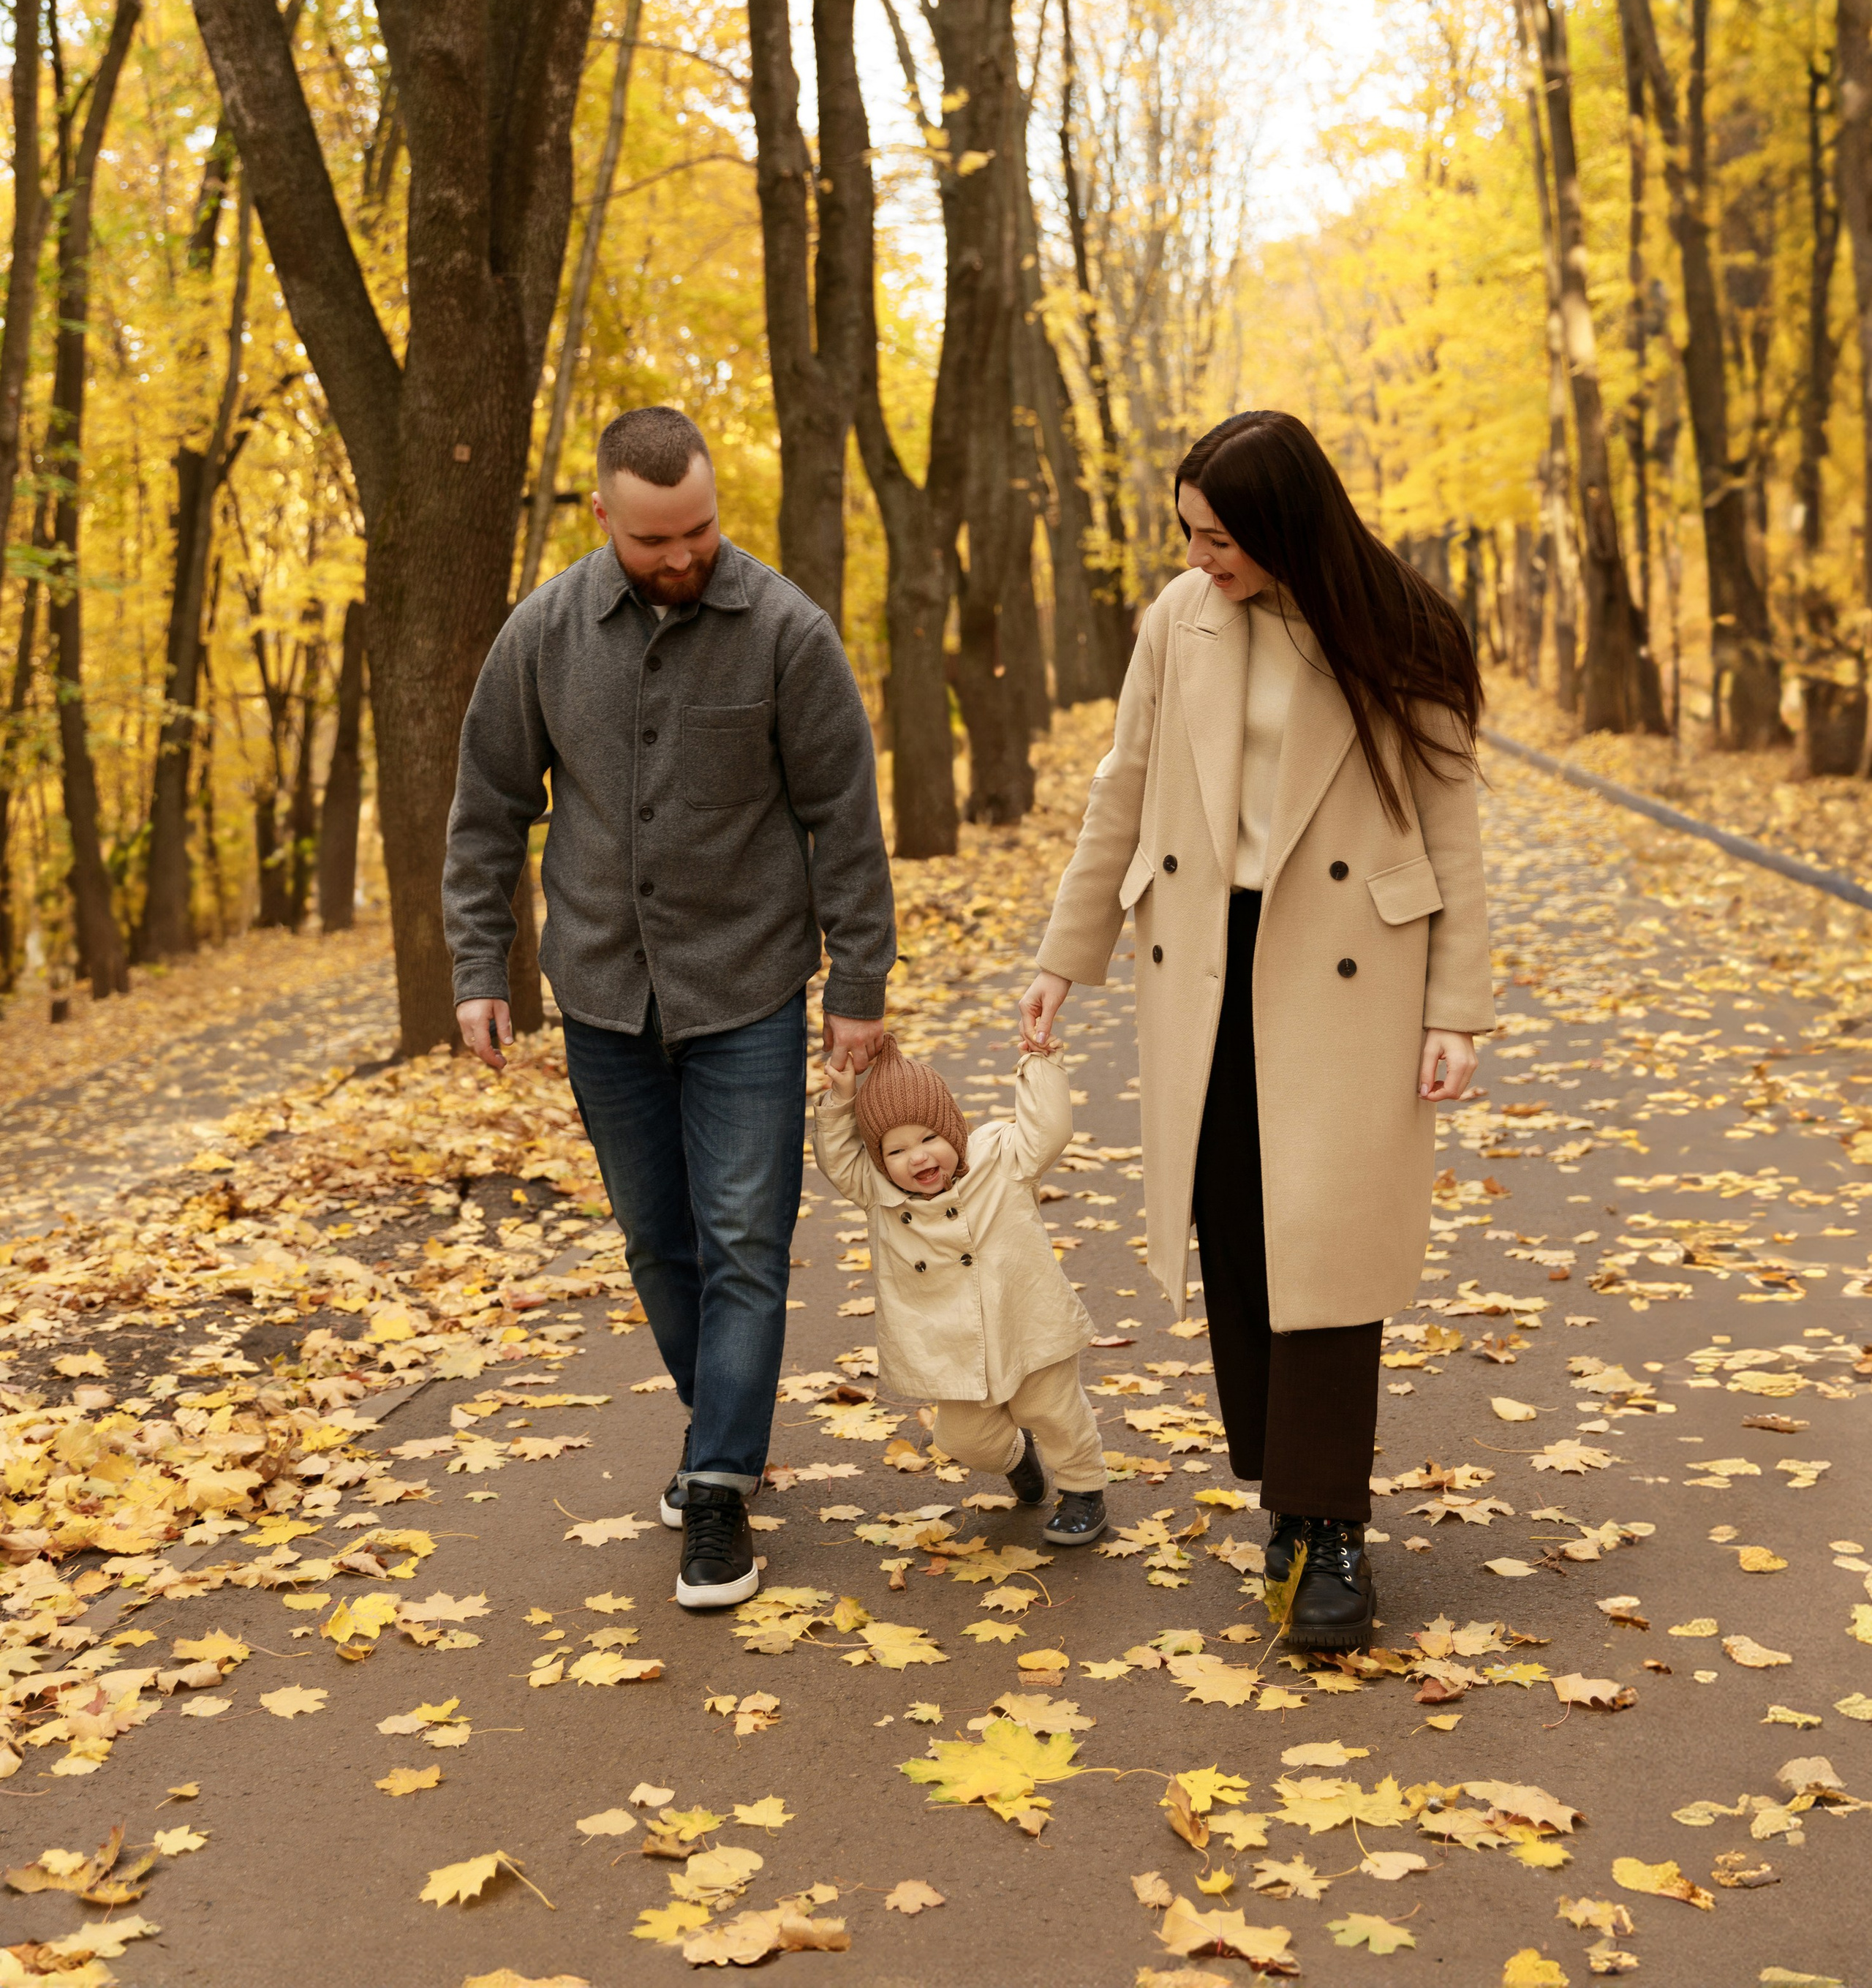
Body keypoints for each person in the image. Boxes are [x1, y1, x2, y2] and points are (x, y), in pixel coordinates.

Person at [1018, 410, 1492, 1650]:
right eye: (1189, 533)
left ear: (1283, 526)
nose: (1200, 555)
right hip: (1202, 957)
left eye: (1218, 535)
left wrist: (1456, 1009)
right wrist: (1064, 959)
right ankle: (1283, 1487)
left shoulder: (1403, 626)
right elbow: (1122, 787)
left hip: (1349, 968)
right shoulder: (1180, 621)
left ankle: (1327, 1523)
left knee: (1324, 1239)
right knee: (1235, 1225)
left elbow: (1453, 832)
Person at [444, 406, 896, 1611]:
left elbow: (842, 819)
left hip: (747, 986)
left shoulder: (786, 632)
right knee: (658, 1239)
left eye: (698, 528)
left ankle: (716, 1486)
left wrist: (859, 988)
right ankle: (725, 1435)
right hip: (600, 991)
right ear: (604, 518)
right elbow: (488, 803)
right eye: (654, 540)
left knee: (747, 1240)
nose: (682, 555)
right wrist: (479, 964)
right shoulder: (542, 633)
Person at [813, 1033, 1109, 1544]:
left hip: (1025, 1319)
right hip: (953, 1344)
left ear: (954, 1129)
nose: (919, 1157)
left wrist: (1039, 1061)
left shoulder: (1001, 1157)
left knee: (1053, 1411)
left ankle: (1084, 1491)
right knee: (964, 1439)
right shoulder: (879, 1194)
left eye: (929, 1137)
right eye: (897, 1149)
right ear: (880, 1160)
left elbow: (1050, 1129)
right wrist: (841, 1100)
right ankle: (1018, 1456)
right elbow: (837, 1159)